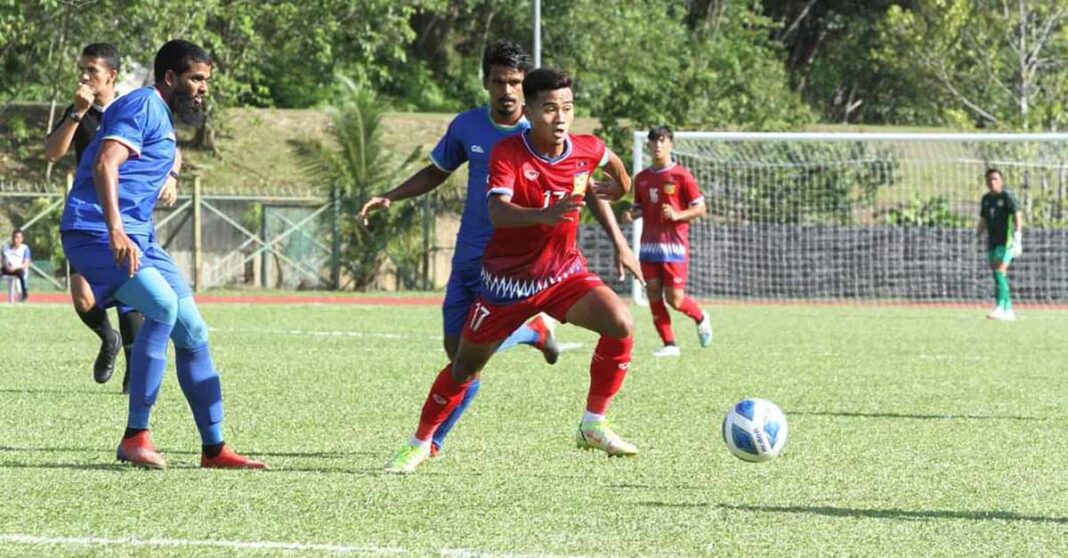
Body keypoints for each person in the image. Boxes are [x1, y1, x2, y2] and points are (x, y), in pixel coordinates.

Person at [361, 40, 640, 457]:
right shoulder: (477, 133)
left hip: (550, 269)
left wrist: (619, 232)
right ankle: (529, 330)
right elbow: (441, 174)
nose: (506, 90)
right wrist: (392, 195)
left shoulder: (556, 133)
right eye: (499, 82)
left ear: (525, 90)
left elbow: (589, 178)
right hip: (483, 262)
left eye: (514, 82)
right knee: (459, 357)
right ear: (488, 84)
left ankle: (431, 443)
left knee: (617, 322)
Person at [59, 39, 264, 469]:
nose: (203, 88)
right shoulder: (145, 105)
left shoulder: (160, 117)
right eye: (196, 79)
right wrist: (116, 228)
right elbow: (104, 164)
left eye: (206, 80)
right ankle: (135, 436)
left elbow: (160, 152)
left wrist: (170, 170)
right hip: (95, 230)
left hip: (140, 236)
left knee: (194, 332)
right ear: (170, 78)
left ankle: (214, 448)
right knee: (163, 307)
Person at [45, 42, 179, 391]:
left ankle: (136, 371)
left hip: (129, 216)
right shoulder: (80, 110)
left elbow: (171, 147)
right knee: (83, 298)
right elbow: (51, 153)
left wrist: (172, 178)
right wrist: (76, 113)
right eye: (83, 69)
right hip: (91, 217)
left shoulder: (134, 107)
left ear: (112, 75)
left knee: (130, 290)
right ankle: (108, 339)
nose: (85, 76)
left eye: (93, 70)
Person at [629, 126, 712, 357]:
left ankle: (701, 316)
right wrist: (632, 213)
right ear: (648, 145)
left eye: (662, 141)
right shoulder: (642, 178)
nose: (657, 145)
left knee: (674, 299)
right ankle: (669, 344)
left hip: (674, 246)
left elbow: (700, 209)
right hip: (649, 246)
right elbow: (639, 207)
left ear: (670, 144)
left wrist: (677, 215)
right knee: (653, 294)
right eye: (653, 142)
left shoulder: (681, 175)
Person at [977, 168, 1023, 321]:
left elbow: (1017, 215)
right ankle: (1008, 310)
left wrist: (1018, 237)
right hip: (992, 242)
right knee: (999, 274)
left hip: (1006, 241)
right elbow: (983, 220)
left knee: (998, 269)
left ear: (1001, 181)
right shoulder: (986, 199)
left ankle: (999, 308)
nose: (992, 182)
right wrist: (975, 237)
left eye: (995, 179)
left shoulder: (1007, 196)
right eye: (989, 179)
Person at [1, 230, 30, 302]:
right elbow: (3, 260)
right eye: (14, 237)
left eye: (17, 237)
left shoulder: (25, 249)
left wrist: (15, 267)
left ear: (22, 239)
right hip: (7, 268)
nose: (15, 239)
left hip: (18, 269)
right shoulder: (6, 248)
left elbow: (26, 264)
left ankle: (24, 294)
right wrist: (7, 266)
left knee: (21, 273)